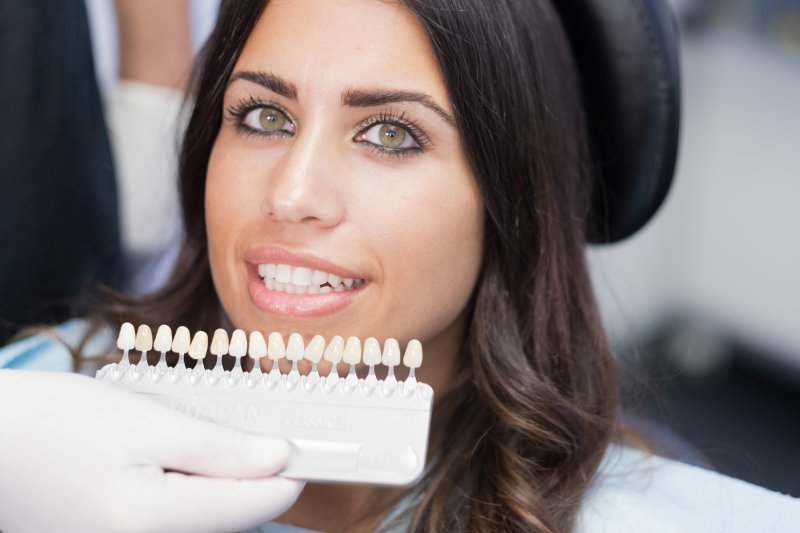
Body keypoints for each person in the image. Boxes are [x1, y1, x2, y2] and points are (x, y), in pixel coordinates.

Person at [1, 1, 798, 532]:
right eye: (263, 115)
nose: (293, 193)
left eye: (390, 134)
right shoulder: (40, 400)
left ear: (510, 199)